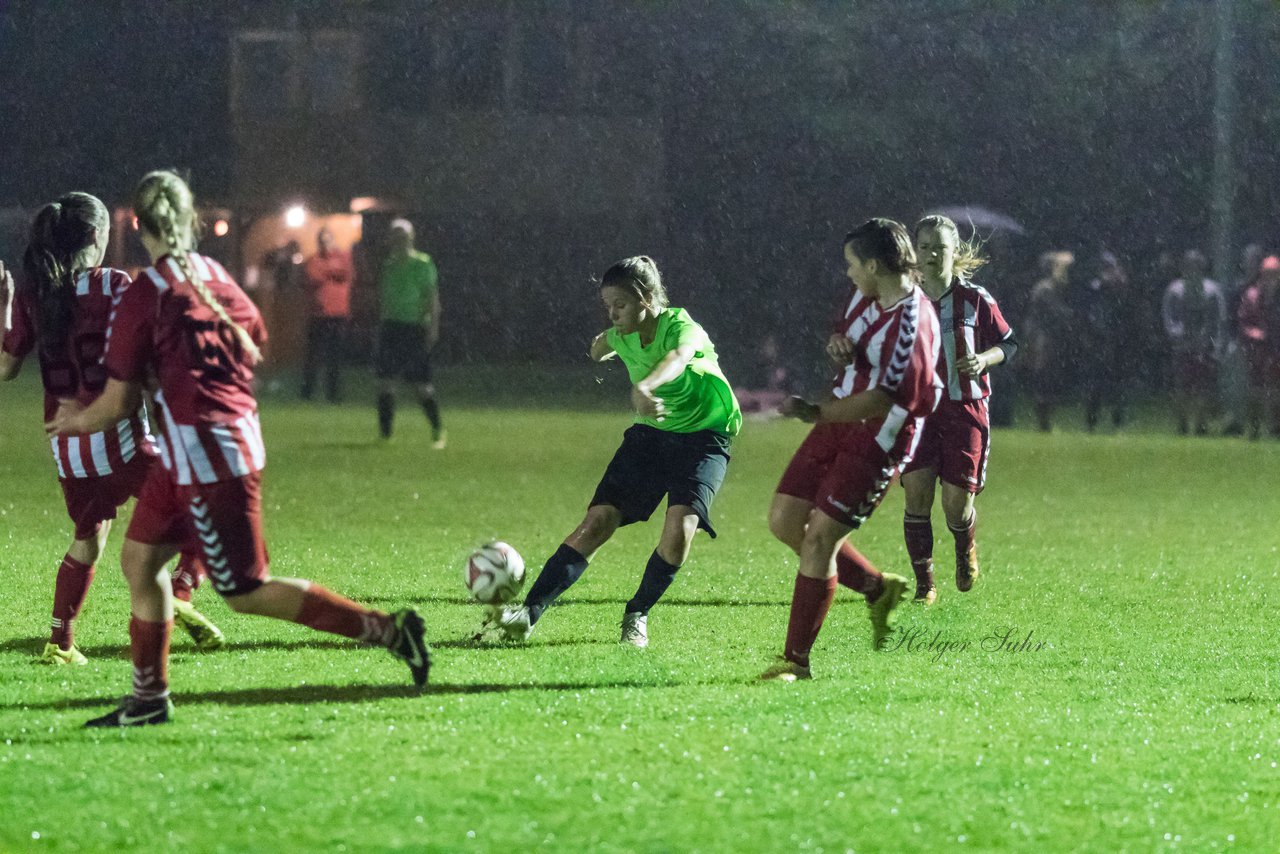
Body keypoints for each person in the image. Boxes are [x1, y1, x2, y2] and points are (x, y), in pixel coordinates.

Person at [47, 171, 430, 726]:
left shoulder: (147, 292)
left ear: (138, 222)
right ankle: (149, 699)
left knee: (246, 591)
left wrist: (75, 419)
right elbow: (257, 343)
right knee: (140, 559)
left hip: (206, 453)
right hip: (207, 445)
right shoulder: (213, 275)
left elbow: (119, 405)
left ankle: (391, 631)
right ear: (191, 221)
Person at [0, 193, 223, 665]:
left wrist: (4, 309)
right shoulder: (113, 285)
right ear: (99, 238)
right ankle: (182, 589)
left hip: (67, 450)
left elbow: (6, 368)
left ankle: (60, 644)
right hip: (120, 440)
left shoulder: (36, 293)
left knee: (88, 537)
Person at [491, 255, 741, 648]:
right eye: (607, 306)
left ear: (645, 297)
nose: (612, 313)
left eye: (619, 305)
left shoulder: (682, 326)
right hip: (651, 438)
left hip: (704, 439)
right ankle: (528, 615)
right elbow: (598, 348)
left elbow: (678, 358)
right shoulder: (621, 334)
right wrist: (600, 348)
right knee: (596, 523)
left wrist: (646, 386)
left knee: (680, 533)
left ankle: (637, 613)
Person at [760, 218, 941, 682]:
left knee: (820, 538)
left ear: (875, 265)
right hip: (839, 419)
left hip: (877, 438)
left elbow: (884, 397)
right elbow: (848, 340)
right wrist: (840, 348)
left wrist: (815, 413)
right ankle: (878, 590)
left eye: (852, 264)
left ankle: (795, 662)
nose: (848, 274)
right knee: (784, 521)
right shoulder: (868, 295)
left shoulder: (914, 324)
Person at [900, 215, 1016, 605]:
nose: (933, 254)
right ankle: (924, 583)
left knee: (955, 503)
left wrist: (984, 359)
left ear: (955, 252)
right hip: (916, 413)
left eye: (941, 247)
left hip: (964, 409)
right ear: (915, 252)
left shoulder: (975, 299)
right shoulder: (902, 300)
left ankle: (964, 546)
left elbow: (1009, 343)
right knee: (916, 494)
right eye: (926, 246)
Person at [375, 219, 444, 446]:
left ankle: (437, 429)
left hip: (414, 328)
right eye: (395, 236)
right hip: (391, 327)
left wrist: (432, 327)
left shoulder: (423, 264)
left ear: (411, 238)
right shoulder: (388, 266)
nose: (399, 240)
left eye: (403, 236)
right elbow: (385, 300)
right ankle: (385, 434)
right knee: (385, 382)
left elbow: (431, 299)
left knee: (421, 386)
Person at [1162, 250, 1226, 435]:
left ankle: (1201, 423)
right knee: (1182, 385)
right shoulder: (1175, 290)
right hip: (1183, 346)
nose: (1193, 269)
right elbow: (1169, 317)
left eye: (1197, 265)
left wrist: (1215, 344)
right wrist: (1178, 335)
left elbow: (1218, 319)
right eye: (1189, 265)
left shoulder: (1212, 290)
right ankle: (1182, 422)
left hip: (1204, 347)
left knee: (1203, 386)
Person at [300, 226, 353, 402]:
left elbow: (347, 274)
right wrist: (332, 273)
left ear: (333, 240)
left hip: (338, 314)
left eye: (327, 240)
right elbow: (312, 276)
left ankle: (334, 394)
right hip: (318, 314)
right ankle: (307, 392)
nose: (324, 244)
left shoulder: (343, 257)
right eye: (321, 241)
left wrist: (328, 272)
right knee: (312, 357)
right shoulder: (314, 259)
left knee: (334, 357)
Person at [1079, 251, 1131, 431]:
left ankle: (1117, 420)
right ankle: (1092, 420)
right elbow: (1088, 312)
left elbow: (1123, 303)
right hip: (1098, 338)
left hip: (1115, 338)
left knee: (1116, 381)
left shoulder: (1117, 285)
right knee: (1096, 382)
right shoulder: (1095, 286)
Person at [1023, 251, 1073, 432]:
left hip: (1045, 337)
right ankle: (1043, 423)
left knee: (1049, 379)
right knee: (1044, 379)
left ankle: (1045, 422)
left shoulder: (1051, 288)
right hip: (1042, 338)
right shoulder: (1045, 289)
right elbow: (1056, 313)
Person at [1237, 255, 1280, 440]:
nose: (1272, 278)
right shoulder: (1251, 295)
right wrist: (1257, 334)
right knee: (1255, 387)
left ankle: (1276, 426)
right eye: (1269, 274)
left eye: (1275, 274)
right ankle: (1254, 426)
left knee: (1276, 388)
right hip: (1257, 349)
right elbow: (1243, 321)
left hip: (1276, 348)